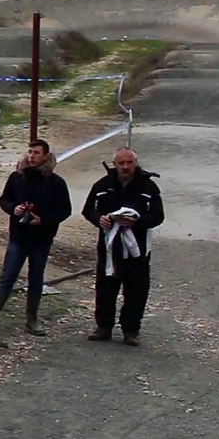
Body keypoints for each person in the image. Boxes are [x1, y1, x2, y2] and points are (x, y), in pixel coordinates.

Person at [0, 139, 72, 336]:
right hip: (19, 237)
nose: (32, 156)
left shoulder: (56, 183)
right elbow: (4, 199)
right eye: (30, 151)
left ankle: (32, 321)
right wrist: (14, 209)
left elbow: (65, 210)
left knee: (36, 278)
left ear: (46, 156)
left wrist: (43, 220)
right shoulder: (16, 177)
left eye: (36, 152)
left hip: (41, 238)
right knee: (7, 277)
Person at [80, 147, 164, 346]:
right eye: (121, 163)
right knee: (105, 288)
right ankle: (103, 327)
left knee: (136, 291)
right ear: (114, 164)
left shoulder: (148, 187)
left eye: (129, 162)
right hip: (109, 248)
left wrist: (137, 221)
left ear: (136, 162)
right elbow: (88, 210)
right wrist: (99, 219)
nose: (126, 167)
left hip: (138, 250)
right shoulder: (102, 185)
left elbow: (158, 216)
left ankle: (131, 330)